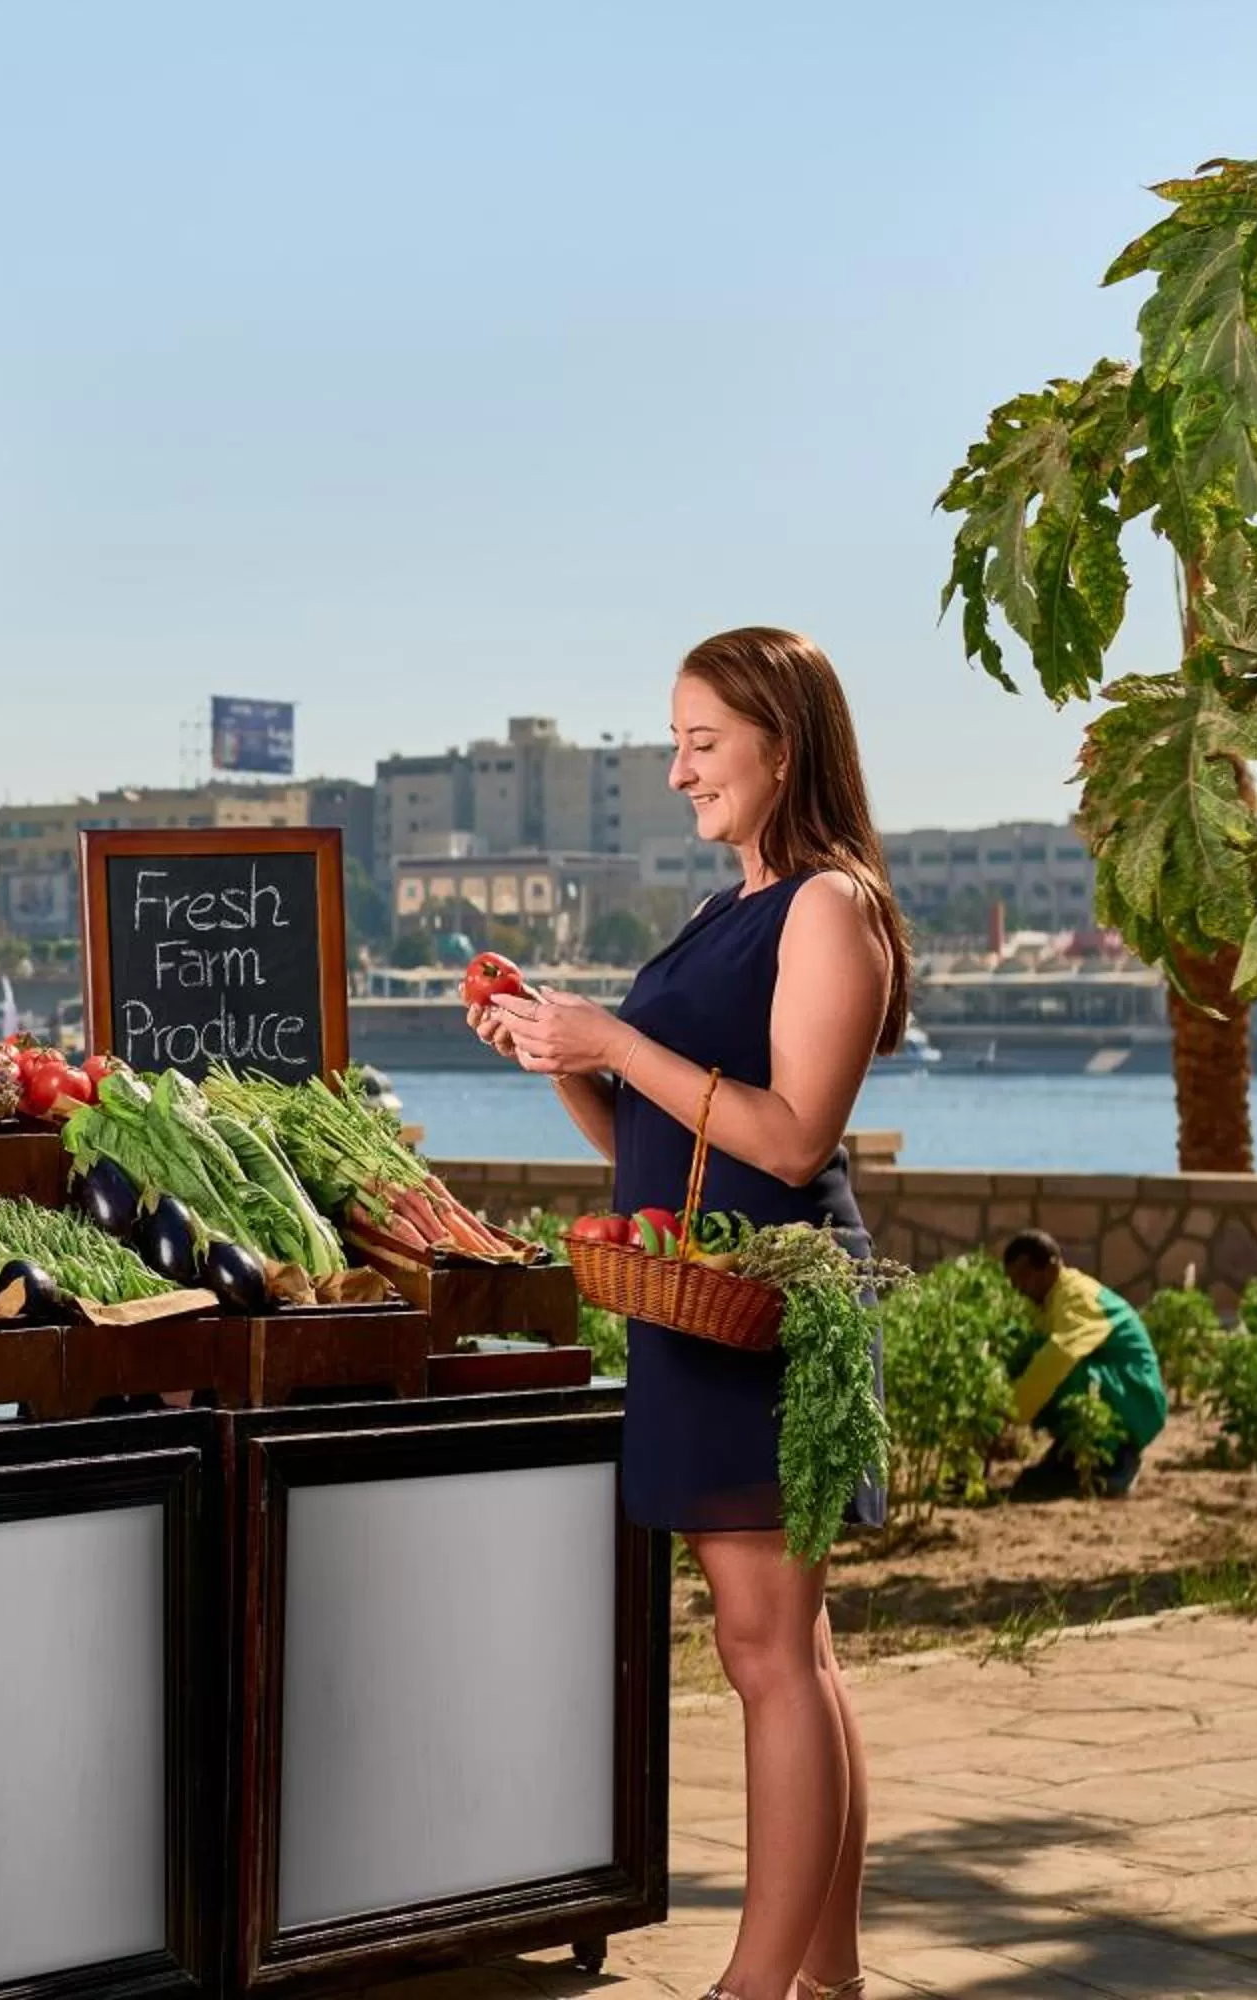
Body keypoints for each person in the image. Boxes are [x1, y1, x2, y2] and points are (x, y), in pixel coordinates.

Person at [469, 628, 907, 2000]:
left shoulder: (830, 908)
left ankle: (751, 1988)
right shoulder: (733, 908)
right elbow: (651, 1137)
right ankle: (822, 1980)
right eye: (676, 742)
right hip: (702, 1306)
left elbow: (789, 1142)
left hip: (771, 1318)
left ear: (785, 743)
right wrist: (559, 1056)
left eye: (703, 743)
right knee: (791, 1652)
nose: (678, 771)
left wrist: (618, 1039)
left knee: (768, 1652)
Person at [999, 1230, 1167, 1499]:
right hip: (1116, 1387)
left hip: (1137, 1398)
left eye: (1023, 1277)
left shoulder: (1078, 1296)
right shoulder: (1050, 1300)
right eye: (1013, 1280)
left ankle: (1114, 1461)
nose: (1018, 1287)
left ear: (1051, 1266)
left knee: (1061, 1370)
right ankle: (1070, 1452)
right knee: (1026, 1355)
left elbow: (1059, 1355)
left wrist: (1011, 1408)